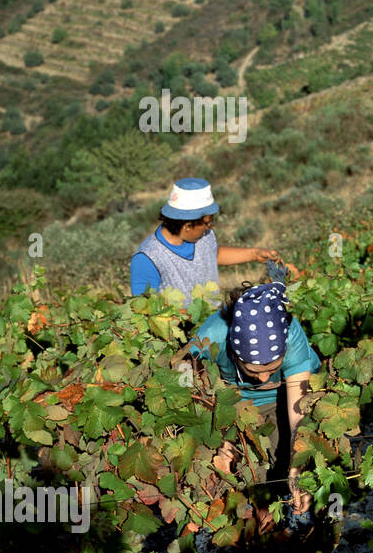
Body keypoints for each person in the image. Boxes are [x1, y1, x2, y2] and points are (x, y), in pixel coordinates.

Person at [186, 278, 321, 528]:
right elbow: (185, 378)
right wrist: (219, 438)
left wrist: (296, 469)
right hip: (229, 402)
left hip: (281, 400)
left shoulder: (292, 337)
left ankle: (288, 521)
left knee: (285, 461)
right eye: (252, 370)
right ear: (234, 353)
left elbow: (298, 412)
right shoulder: (212, 334)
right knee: (221, 471)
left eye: (273, 368)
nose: (264, 378)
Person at [129, 178, 288, 312]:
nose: (210, 227)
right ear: (188, 226)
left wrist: (254, 254)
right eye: (207, 223)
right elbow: (146, 310)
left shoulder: (204, 236)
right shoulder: (147, 259)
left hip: (213, 324)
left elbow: (213, 255)